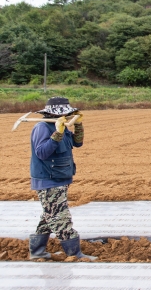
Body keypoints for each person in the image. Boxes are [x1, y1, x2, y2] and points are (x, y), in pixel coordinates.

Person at [29, 97, 96, 261]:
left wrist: (78, 125)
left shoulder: (62, 126)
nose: (68, 116)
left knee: (48, 216)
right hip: (48, 181)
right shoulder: (42, 127)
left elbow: (77, 143)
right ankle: (74, 253)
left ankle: (37, 252)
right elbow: (42, 153)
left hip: (60, 179)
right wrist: (57, 134)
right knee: (60, 217)